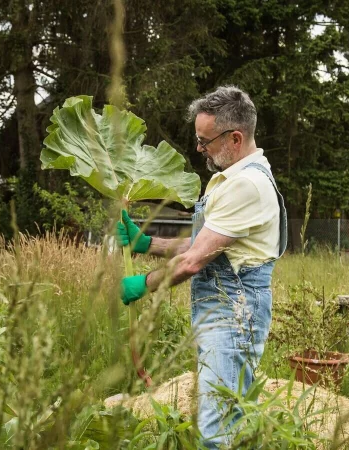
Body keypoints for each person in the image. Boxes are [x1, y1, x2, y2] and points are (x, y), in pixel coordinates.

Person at [116, 85, 287, 448]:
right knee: (232, 419)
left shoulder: (247, 185)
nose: (199, 148)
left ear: (235, 138)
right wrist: (145, 243)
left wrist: (143, 283)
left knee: (217, 430)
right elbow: (205, 244)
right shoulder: (233, 176)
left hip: (234, 312)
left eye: (205, 141)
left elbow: (194, 261)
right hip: (225, 310)